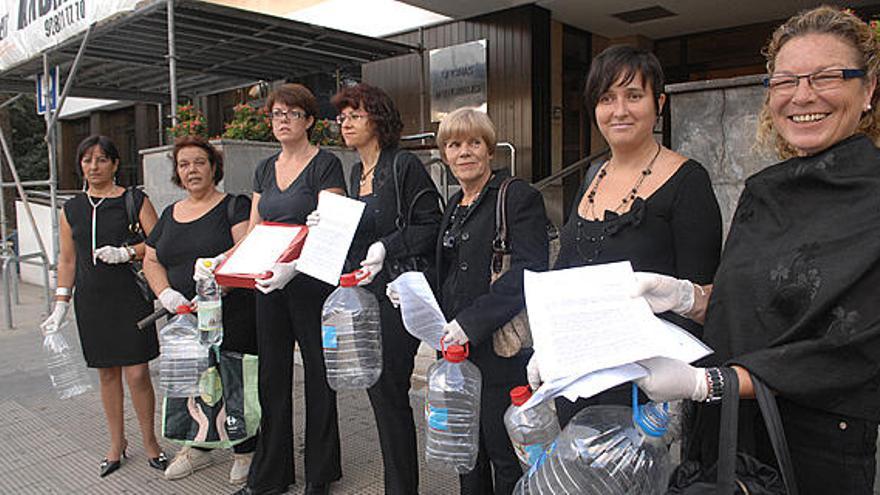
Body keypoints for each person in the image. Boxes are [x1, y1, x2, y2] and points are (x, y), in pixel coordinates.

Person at [631, 6, 880, 494]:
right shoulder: (764, 190)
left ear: (868, 89)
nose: (802, 95)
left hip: (811, 448)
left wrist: (708, 384)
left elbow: (854, 350)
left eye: (827, 76)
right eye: (785, 81)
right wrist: (689, 298)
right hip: (724, 437)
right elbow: (757, 305)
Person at [533, 44, 722, 425]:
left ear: (659, 103)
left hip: (649, 392)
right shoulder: (592, 176)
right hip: (580, 376)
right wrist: (550, 342)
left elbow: (704, 299)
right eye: (606, 98)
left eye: (633, 96)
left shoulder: (688, 182)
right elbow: (568, 270)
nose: (619, 110)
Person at [196, 84, 346, 495]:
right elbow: (256, 229)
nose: (282, 120)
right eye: (277, 114)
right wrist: (222, 264)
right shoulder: (265, 168)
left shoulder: (325, 164)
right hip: (269, 285)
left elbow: (329, 227)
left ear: (309, 121)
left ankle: (321, 472)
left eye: (291, 114)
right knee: (271, 378)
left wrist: (291, 267)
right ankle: (271, 475)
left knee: (319, 376)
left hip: (310, 283)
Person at [306, 83, 441, 494]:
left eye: (354, 115)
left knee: (387, 388)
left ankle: (400, 488)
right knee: (381, 392)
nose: (344, 123)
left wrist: (387, 246)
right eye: (342, 116)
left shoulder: (403, 166)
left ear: (378, 118)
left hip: (399, 294)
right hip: (366, 295)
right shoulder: (355, 172)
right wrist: (327, 228)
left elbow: (431, 225)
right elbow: (362, 235)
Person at [435, 107, 549, 494]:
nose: (464, 152)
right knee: (465, 451)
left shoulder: (516, 196)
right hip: (454, 351)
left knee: (504, 455)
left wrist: (472, 322)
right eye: (454, 144)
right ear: (445, 154)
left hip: (498, 351)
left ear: (489, 149)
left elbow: (530, 270)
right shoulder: (453, 205)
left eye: (473, 142)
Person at [41, 135, 167, 477]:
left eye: (101, 160)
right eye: (87, 160)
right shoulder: (72, 209)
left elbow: (158, 243)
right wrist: (60, 305)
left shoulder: (134, 199)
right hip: (92, 301)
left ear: (114, 164)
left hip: (130, 297)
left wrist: (127, 252)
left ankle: (151, 442)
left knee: (138, 374)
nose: (93, 167)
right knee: (107, 374)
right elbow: (67, 260)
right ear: (80, 165)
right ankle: (116, 443)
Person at [141, 135, 257, 484]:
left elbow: (246, 249)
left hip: (231, 314)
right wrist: (165, 294)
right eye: (184, 164)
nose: (191, 170)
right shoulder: (169, 214)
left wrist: (217, 280)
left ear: (213, 167)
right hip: (184, 320)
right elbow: (151, 258)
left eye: (199, 162)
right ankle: (196, 445)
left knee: (235, 384)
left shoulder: (233, 206)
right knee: (191, 386)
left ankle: (245, 449)